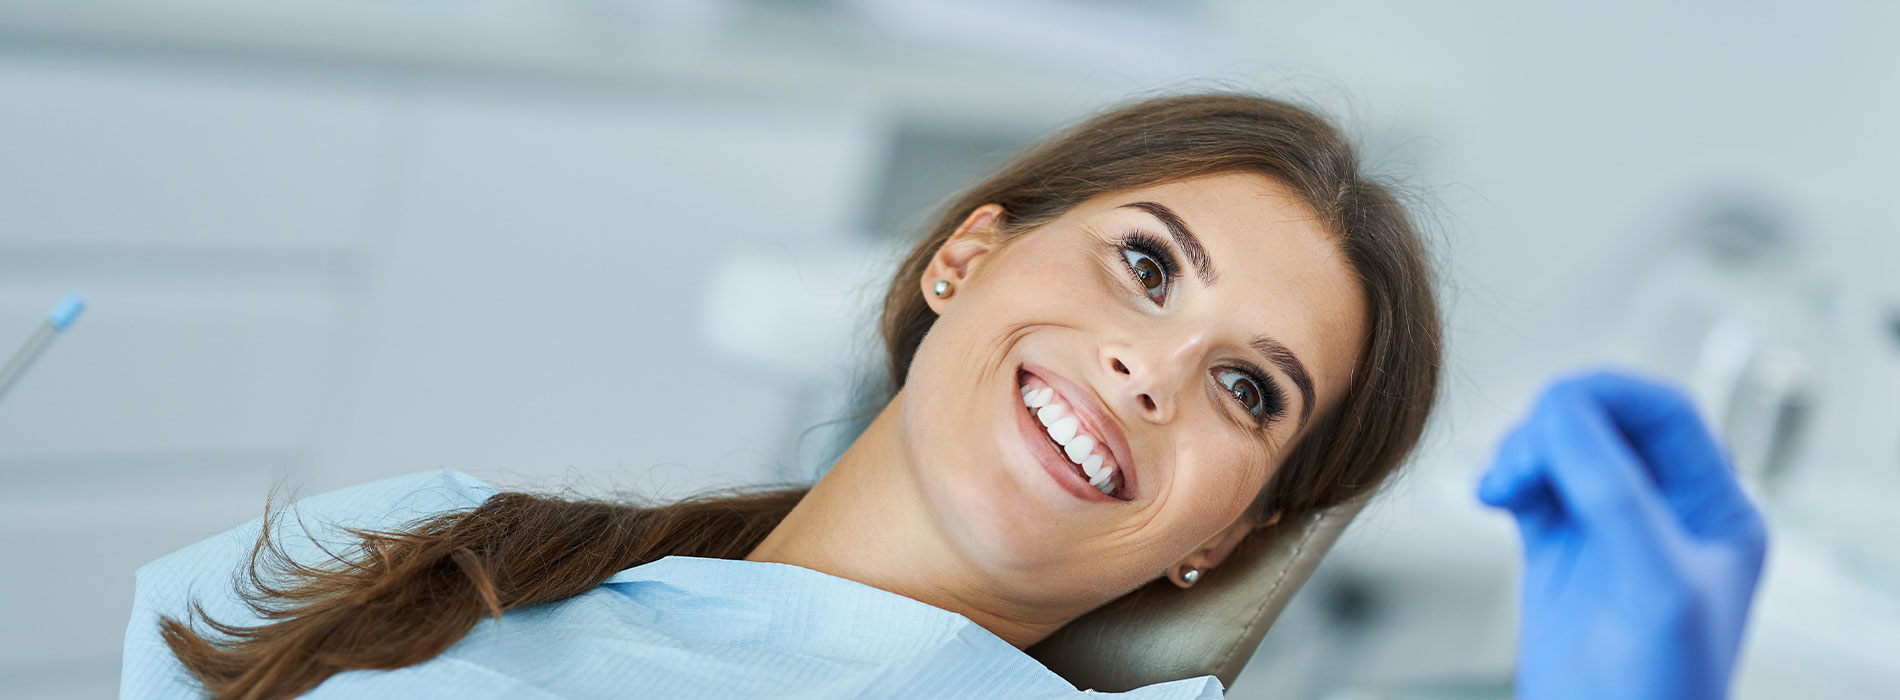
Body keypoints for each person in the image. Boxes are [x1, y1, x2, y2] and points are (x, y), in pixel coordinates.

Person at [126, 91, 1448, 699]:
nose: (1151, 373)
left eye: (1246, 391)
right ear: (965, 257)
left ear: (1228, 539)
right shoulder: (439, 546)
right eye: (1147, 266)